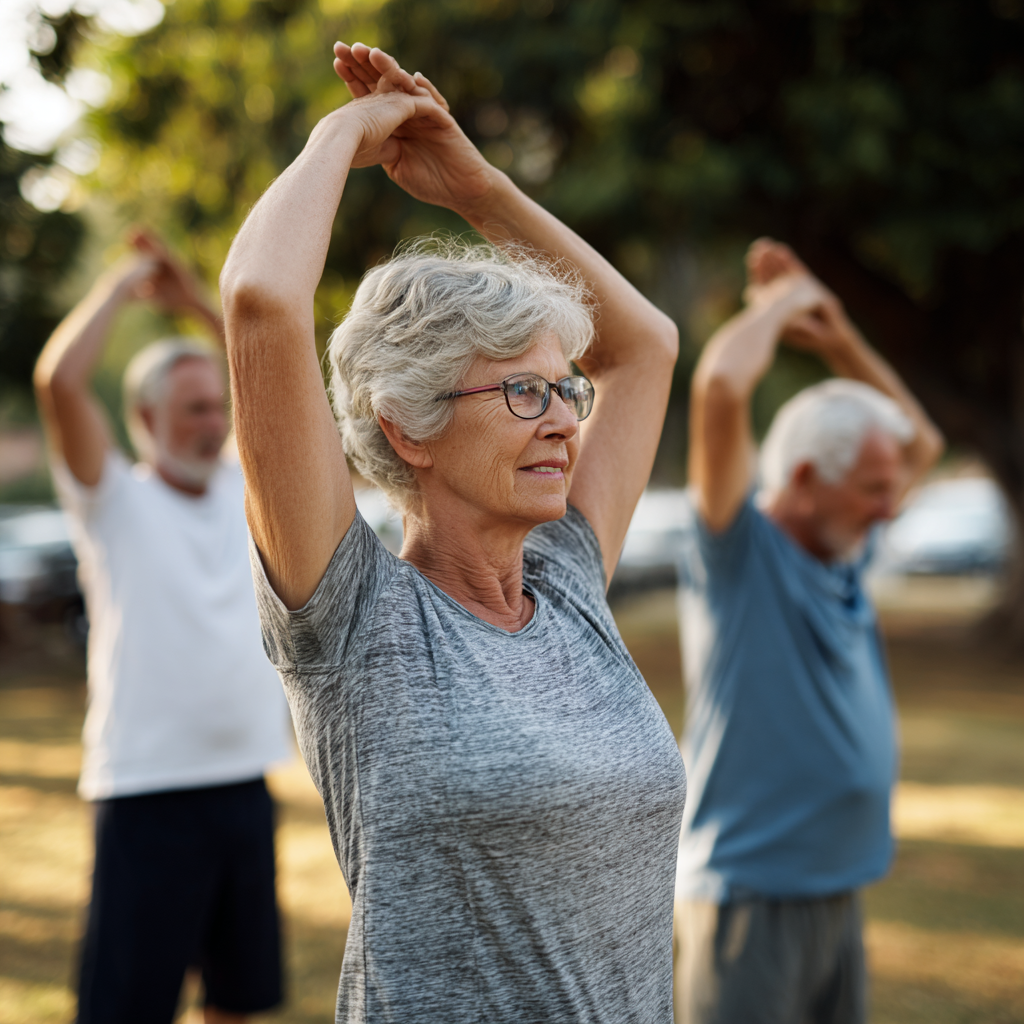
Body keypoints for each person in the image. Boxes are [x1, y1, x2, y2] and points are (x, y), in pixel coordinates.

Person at [219, 42, 686, 1024]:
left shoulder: (566, 578)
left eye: (564, 387)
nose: (565, 416)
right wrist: (348, 131)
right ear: (407, 426)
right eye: (524, 391)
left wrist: (476, 185)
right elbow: (263, 303)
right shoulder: (352, 620)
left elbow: (643, 347)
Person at [673, 239, 945, 1024]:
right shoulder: (737, 556)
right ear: (802, 481)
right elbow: (721, 386)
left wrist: (839, 337)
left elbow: (919, 441)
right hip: (749, 904)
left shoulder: (846, 554)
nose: (891, 508)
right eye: (871, 491)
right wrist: (784, 305)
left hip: (836, 894)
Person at [33, 231, 292, 1024]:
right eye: (192, 409)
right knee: (128, 1008)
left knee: (239, 1001)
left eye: (219, 406)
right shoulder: (113, 500)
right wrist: (123, 283)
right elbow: (59, 381)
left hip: (245, 784)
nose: (214, 422)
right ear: (144, 418)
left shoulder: (244, 487)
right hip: (146, 792)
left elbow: (272, 377)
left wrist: (190, 304)